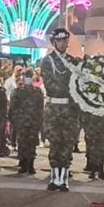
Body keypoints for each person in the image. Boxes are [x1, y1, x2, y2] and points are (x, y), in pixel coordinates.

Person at [40, 28, 79, 191]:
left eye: (65, 40)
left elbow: (79, 85)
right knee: (55, 142)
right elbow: (51, 85)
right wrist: (70, 88)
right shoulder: (47, 61)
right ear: (54, 42)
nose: (62, 43)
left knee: (68, 143)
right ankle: (55, 178)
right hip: (54, 108)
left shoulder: (73, 62)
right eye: (59, 40)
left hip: (69, 109)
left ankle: (63, 179)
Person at [9, 69, 44, 175]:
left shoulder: (38, 92)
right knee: (22, 143)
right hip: (22, 122)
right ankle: (23, 164)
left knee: (32, 143)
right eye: (27, 76)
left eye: (30, 76)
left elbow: (40, 108)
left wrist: (39, 121)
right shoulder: (18, 91)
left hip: (33, 122)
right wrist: (14, 121)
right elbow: (13, 108)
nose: (28, 78)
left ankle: (31, 164)